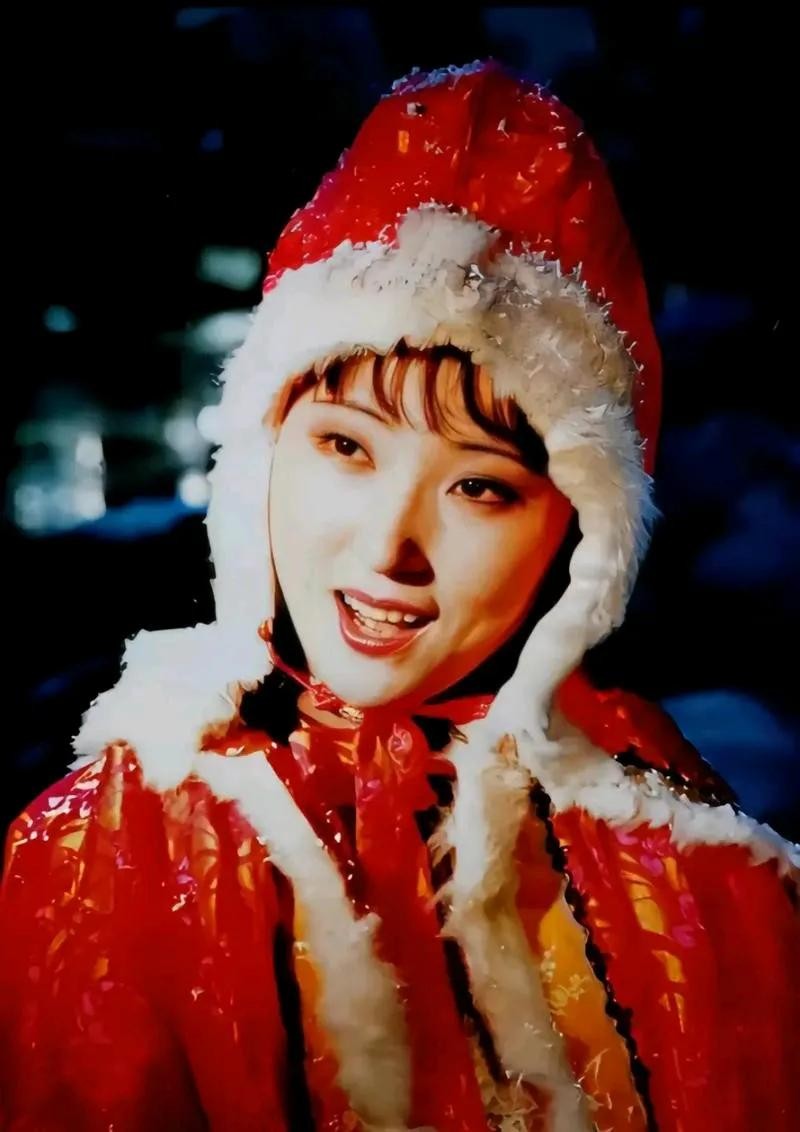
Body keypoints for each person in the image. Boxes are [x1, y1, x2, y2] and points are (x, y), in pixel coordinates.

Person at [1, 60, 797, 1132]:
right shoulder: (100, 859)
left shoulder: (697, 864)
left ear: (577, 532)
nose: (388, 548)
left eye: (479, 487)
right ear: (263, 454)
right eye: (346, 447)